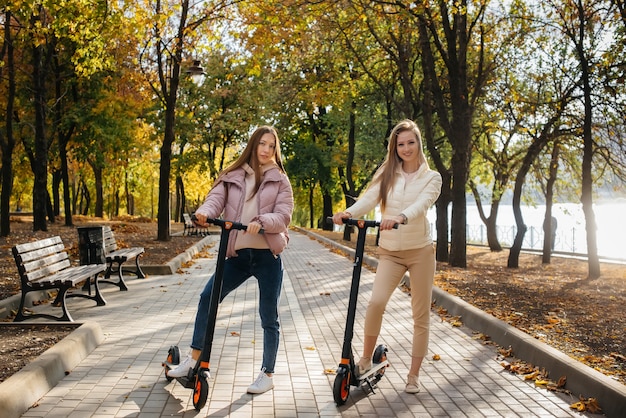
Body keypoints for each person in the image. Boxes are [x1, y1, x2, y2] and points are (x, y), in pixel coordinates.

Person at [167, 125, 294, 395]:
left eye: (271, 145)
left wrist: (261, 222)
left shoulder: (281, 180)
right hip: (237, 255)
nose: (266, 149)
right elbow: (215, 200)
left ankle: (267, 373)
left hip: (267, 257)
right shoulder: (233, 175)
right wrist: (203, 212)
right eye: (262, 143)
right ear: (253, 145)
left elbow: (283, 216)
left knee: (268, 317)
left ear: (275, 149)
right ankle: (194, 359)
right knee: (207, 297)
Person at [332, 119, 442, 394]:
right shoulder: (387, 173)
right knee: (376, 303)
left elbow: (422, 204)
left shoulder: (432, 178)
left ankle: (413, 376)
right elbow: (370, 198)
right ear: (395, 147)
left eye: (410, 142)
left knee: (420, 315)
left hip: (420, 252)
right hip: (391, 252)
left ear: (419, 143)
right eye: (400, 144)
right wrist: (349, 213)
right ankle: (366, 359)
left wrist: (401, 217)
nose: (406, 148)